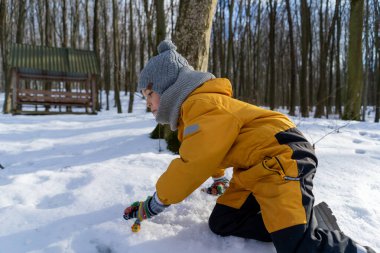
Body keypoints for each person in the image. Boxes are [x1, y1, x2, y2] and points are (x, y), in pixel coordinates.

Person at [123, 40, 375, 253]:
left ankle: (327, 238)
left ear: (166, 86)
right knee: (223, 221)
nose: (148, 103)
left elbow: (195, 162)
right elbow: (212, 151)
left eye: (148, 94)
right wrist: (220, 179)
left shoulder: (201, 104)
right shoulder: (195, 111)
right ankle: (293, 222)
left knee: (297, 245)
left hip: (282, 157)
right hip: (255, 169)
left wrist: (155, 203)